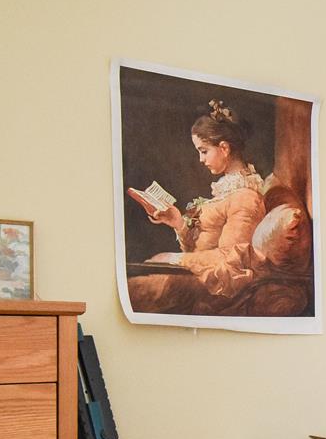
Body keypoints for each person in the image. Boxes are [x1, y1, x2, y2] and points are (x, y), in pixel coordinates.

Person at [127, 101, 312, 316]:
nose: (201, 159)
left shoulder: (245, 197)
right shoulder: (230, 190)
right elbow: (205, 245)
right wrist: (177, 221)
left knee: (137, 291)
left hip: (207, 288)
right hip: (195, 275)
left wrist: (176, 259)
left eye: (204, 151)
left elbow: (231, 260)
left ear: (224, 148)